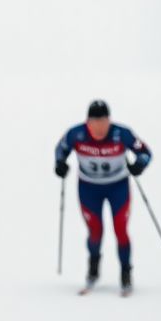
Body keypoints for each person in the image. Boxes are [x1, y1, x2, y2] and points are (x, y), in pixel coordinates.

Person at [55, 99, 152, 295]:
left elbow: (145, 152)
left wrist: (139, 164)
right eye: (95, 123)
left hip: (118, 188)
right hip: (89, 189)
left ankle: (126, 272)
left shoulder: (121, 134)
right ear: (87, 122)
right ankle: (93, 269)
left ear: (109, 120)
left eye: (104, 122)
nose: (99, 128)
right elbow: (61, 149)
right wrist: (60, 164)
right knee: (95, 231)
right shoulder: (76, 134)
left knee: (121, 229)